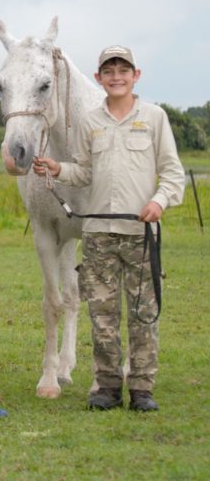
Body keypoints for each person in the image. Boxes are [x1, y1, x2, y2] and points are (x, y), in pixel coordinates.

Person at [32, 45, 184, 412]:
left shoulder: (155, 118)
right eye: (109, 71)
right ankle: (107, 387)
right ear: (99, 78)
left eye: (123, 70)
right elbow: (83, 172)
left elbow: (173, 173)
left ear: (136, 76)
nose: (117, 77)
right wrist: (57, 169)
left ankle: (142, 387)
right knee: (102, 316)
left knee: (143, 314)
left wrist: (158, 202)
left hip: (140, 234)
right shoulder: (90, 122)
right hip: (98, 234)